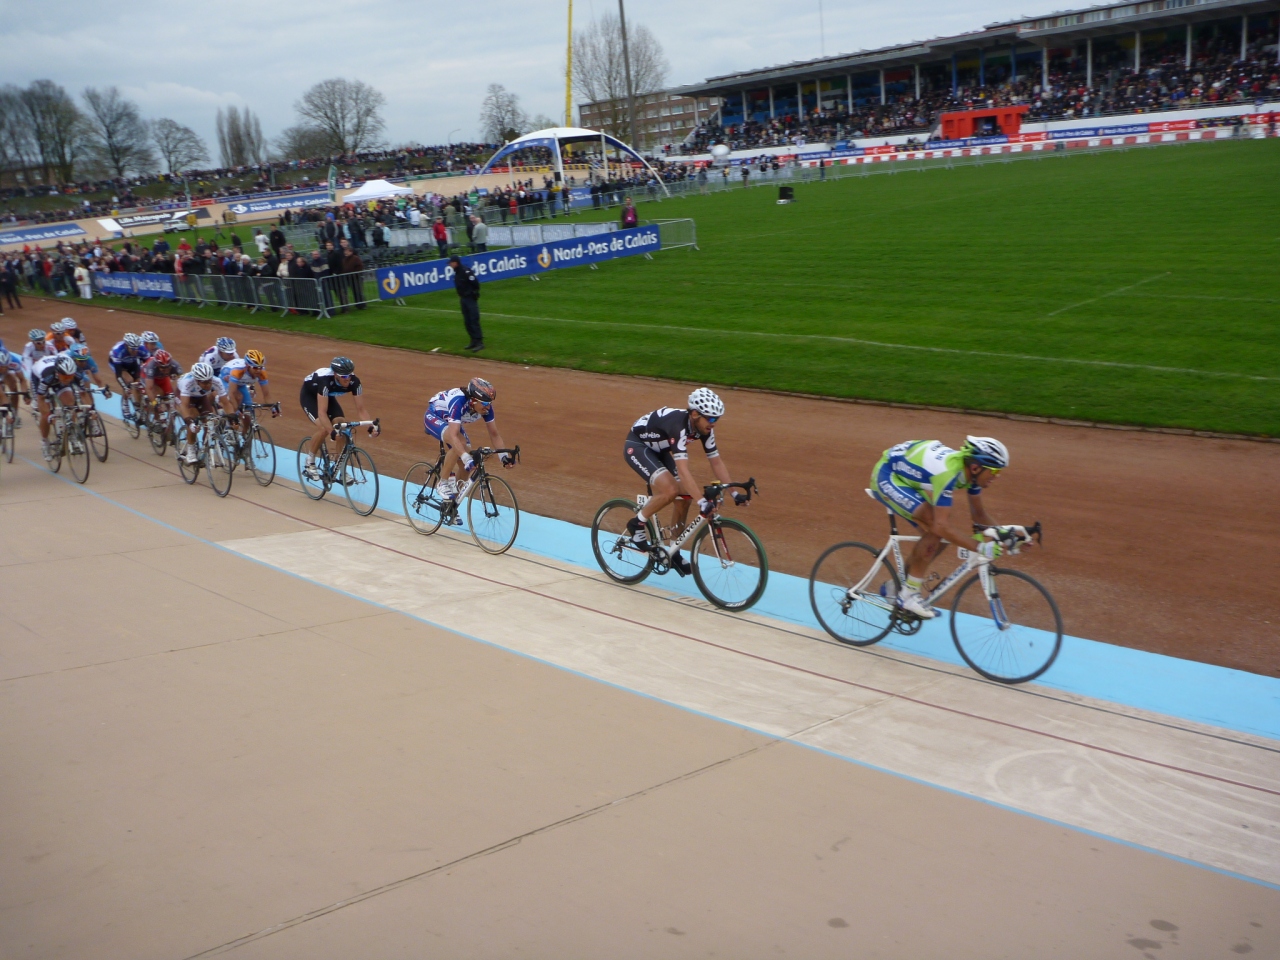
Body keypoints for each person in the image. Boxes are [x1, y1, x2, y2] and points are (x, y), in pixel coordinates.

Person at [869, 437, 1023, 619]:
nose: (997, 476)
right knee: (937, 528)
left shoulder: (972, 474)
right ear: (976, 467)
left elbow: (979, 516)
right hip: (887, 475)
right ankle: (908, 595)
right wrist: (981, 547)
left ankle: (896, 588)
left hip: (905, 471)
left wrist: (1009, 535)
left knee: (940, 536)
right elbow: (941, 526)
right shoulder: (948, 473)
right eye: (995, 471)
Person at [624, 388, 747, 576]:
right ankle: (637, 523)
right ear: (695, 414)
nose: (714, 424)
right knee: (671, 490)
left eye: (717, 419)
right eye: (711, 419)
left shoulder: (703, 428)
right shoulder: (679, 427)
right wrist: (702, 502)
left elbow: (716, 462)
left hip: (660, 450)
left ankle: (673, 552)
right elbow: (683, 469)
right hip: (638, 446)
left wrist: (734, 492)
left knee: (685, 497)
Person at [422, 377, 512, 511]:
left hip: (452, 422)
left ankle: (450, 507)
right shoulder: (458, 401)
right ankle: (443, 482)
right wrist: (465, 457)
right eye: (485, 403)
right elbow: (453, 436)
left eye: (490, 403)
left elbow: (494, 434)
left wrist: (503, 457)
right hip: (435, 417)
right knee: (461, 444)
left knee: (466, 467)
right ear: (473, 400)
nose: (488, 407)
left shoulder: (486, 408)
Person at [299, 357, 378, 480]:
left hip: (328, 396)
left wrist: (370, 427)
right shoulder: (324, 380)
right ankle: (309, 462)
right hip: (310, 397)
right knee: (324, 428)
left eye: (350, 375)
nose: (348, 379)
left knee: (341, 425)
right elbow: (322, 412)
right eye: (344, 377)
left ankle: (339, 467)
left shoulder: (354, 382)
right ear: (335, 374)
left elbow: (361, 410)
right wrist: (331, 432)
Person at [176, 361, 236, 463]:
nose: (208, 385)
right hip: (185, 398)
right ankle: (190, 451)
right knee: (193, 417)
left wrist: (233, 418)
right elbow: (184, 406)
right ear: (197, 380)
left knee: (210, 421)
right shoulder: (188, 382)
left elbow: (226, 403)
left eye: (209, 381)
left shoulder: (216, 381)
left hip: (201, 397)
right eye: (204, 382)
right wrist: (190, 422)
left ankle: (204, 450)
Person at [33, 355, 87, 461]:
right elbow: (41, 400)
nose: (67, 380)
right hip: (40, 379)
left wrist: (91, 409)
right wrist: (48, 415)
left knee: (71, 403)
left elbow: (83, 394)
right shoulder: (47, 377)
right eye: (65, 377)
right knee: (45, 413)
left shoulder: (75, 375)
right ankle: (45, 442)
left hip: (57, 381)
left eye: (70, 377)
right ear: (58, 373)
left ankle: (71, 433)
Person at [108, 333, 150, 416]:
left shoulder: (141, 349)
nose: (135, 351)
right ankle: (125, 404)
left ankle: (138, 405)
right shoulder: (118, 351)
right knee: (128, 381)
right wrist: (125, 387)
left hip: (133, 363)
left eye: (136, 349)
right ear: (126, 346)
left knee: (139, 382)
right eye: (133, 349)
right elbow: (119, 375)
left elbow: (148, 364)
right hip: (119, 365)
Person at [449, 256, 483, 352]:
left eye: (451, 263)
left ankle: (479, 342)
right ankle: (473, 340)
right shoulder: (457, 272)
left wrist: (473, 292)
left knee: (474, 319)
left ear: (455, 263)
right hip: (463, 299)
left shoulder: (465, 271)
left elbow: (475, 283)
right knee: (467, 321)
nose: (450, 265)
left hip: (470, 298)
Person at [140, 348, 181, 419]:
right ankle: (156, 418)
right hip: (148, 378)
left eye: (168, 367)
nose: (166, 370)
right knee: (158, 396)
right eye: (163, 368)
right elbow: (149, 388)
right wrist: (155, 404)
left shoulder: (175, 365)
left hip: (163, 379)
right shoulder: (151, 366)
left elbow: (183, 382)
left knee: (171, 400)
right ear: (157, 365)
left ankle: (171, 426)